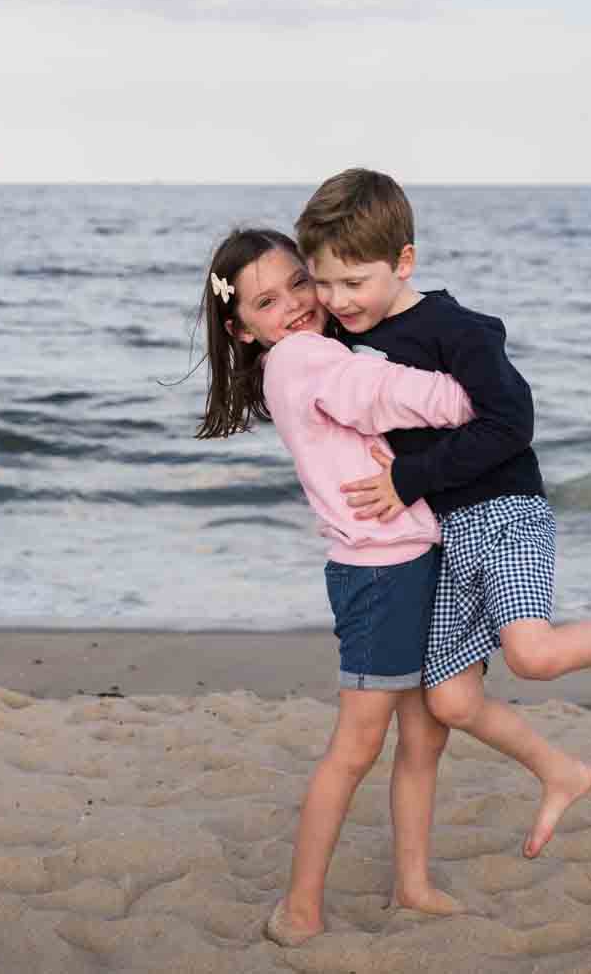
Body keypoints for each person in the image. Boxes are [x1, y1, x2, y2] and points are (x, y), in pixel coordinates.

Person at [296, 168, 591, 859]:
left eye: (354, 283)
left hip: (507, 512)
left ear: (404, 261)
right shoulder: (341, 335)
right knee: (447, 703)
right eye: (323, 283)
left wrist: (412, 475)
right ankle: (558, 770)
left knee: (531, 653)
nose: (337, 299)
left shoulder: (457, 329)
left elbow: (513, 421)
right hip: (442, 539)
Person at [194, 227, 469, 948]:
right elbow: (378, 394)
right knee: (356, 745)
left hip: (404, 557)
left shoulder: (312, 353)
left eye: (297, 283)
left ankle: (410, 882)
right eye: (266, 300)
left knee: (425, 732)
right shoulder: (303, 357)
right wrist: (466, 393)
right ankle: (302, 909)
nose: (292, 304)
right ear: (241, 327)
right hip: (380, 573)